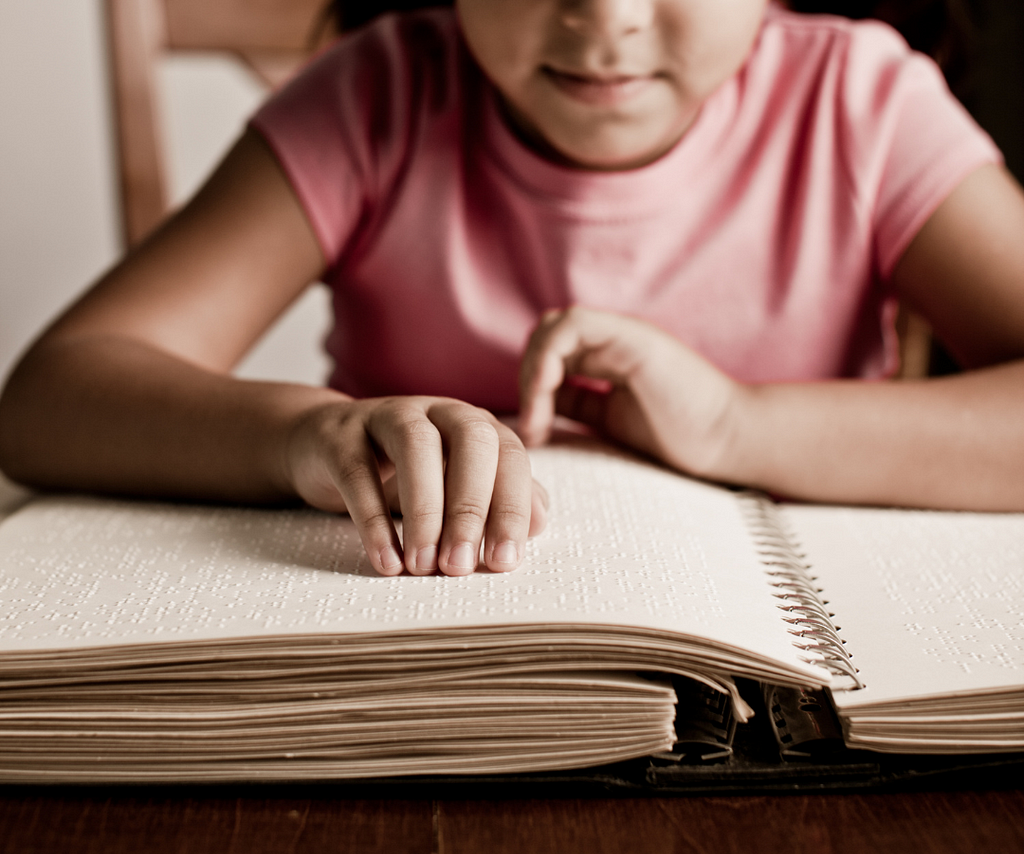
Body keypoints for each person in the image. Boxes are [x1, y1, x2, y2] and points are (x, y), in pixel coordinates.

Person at [0, 0, 1022, 580]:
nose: (605, 16)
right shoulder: (377, 99)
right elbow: (53, 396)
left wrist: (738, 424)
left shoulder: (862, 106)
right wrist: (310, 435)